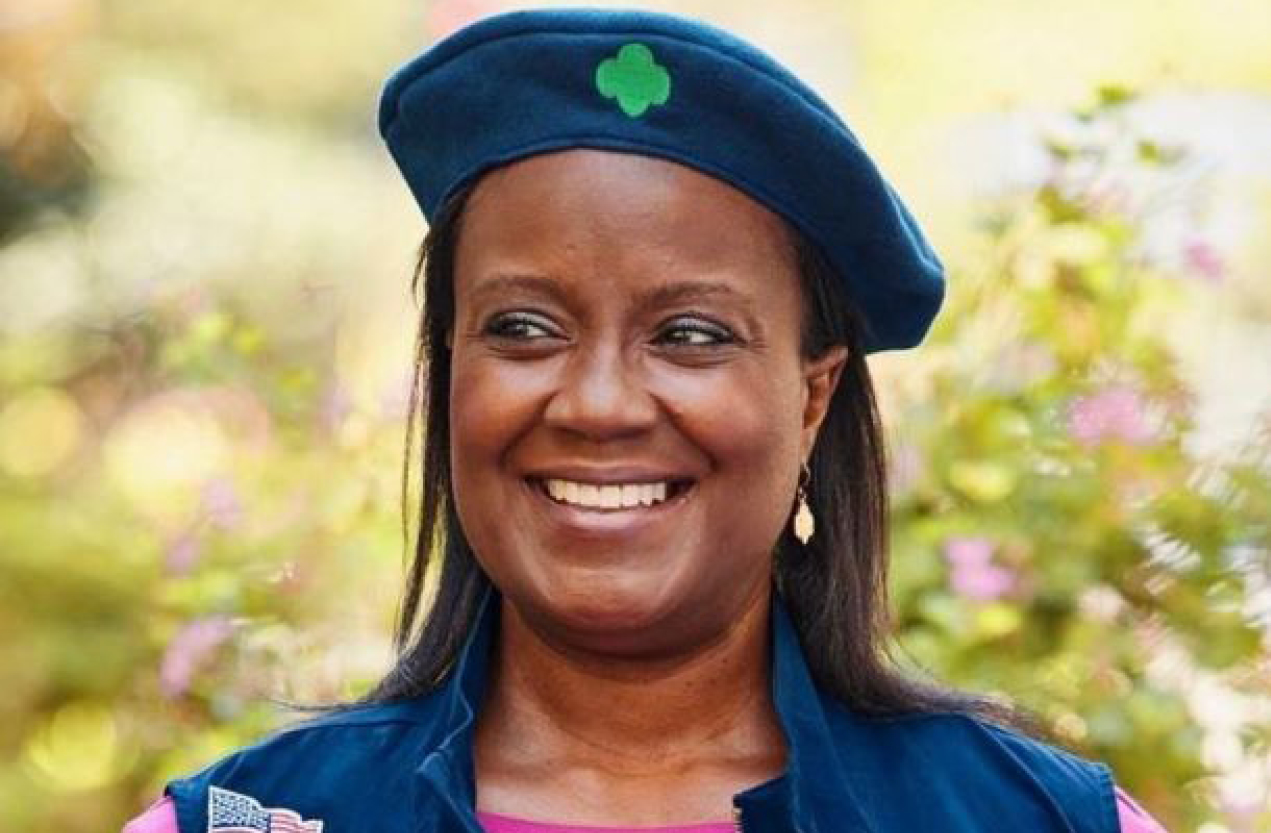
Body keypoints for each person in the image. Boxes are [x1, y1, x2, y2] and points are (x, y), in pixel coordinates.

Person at [125, 8, 1169, 833]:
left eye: (690, 335)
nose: (597, 402)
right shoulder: (259, 822)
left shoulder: (1021, 819)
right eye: (525, 326)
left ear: (811, 397)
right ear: (450, 372)